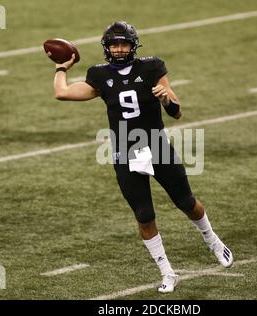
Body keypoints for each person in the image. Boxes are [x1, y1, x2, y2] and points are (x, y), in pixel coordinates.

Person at [52, 21, 233, 293]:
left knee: (186, 202)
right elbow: (62, 93)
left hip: (156, 145)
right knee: (144, 215)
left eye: (124, 43)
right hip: (125, 152)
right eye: (115, 44)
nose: (120, 49)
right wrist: (61, 67)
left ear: (133, 45)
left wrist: (165, 100)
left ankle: (213, 241)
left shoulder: (151, 68)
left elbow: (177, 111)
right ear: (107, 47)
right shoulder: (99, 76)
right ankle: (167, 272)